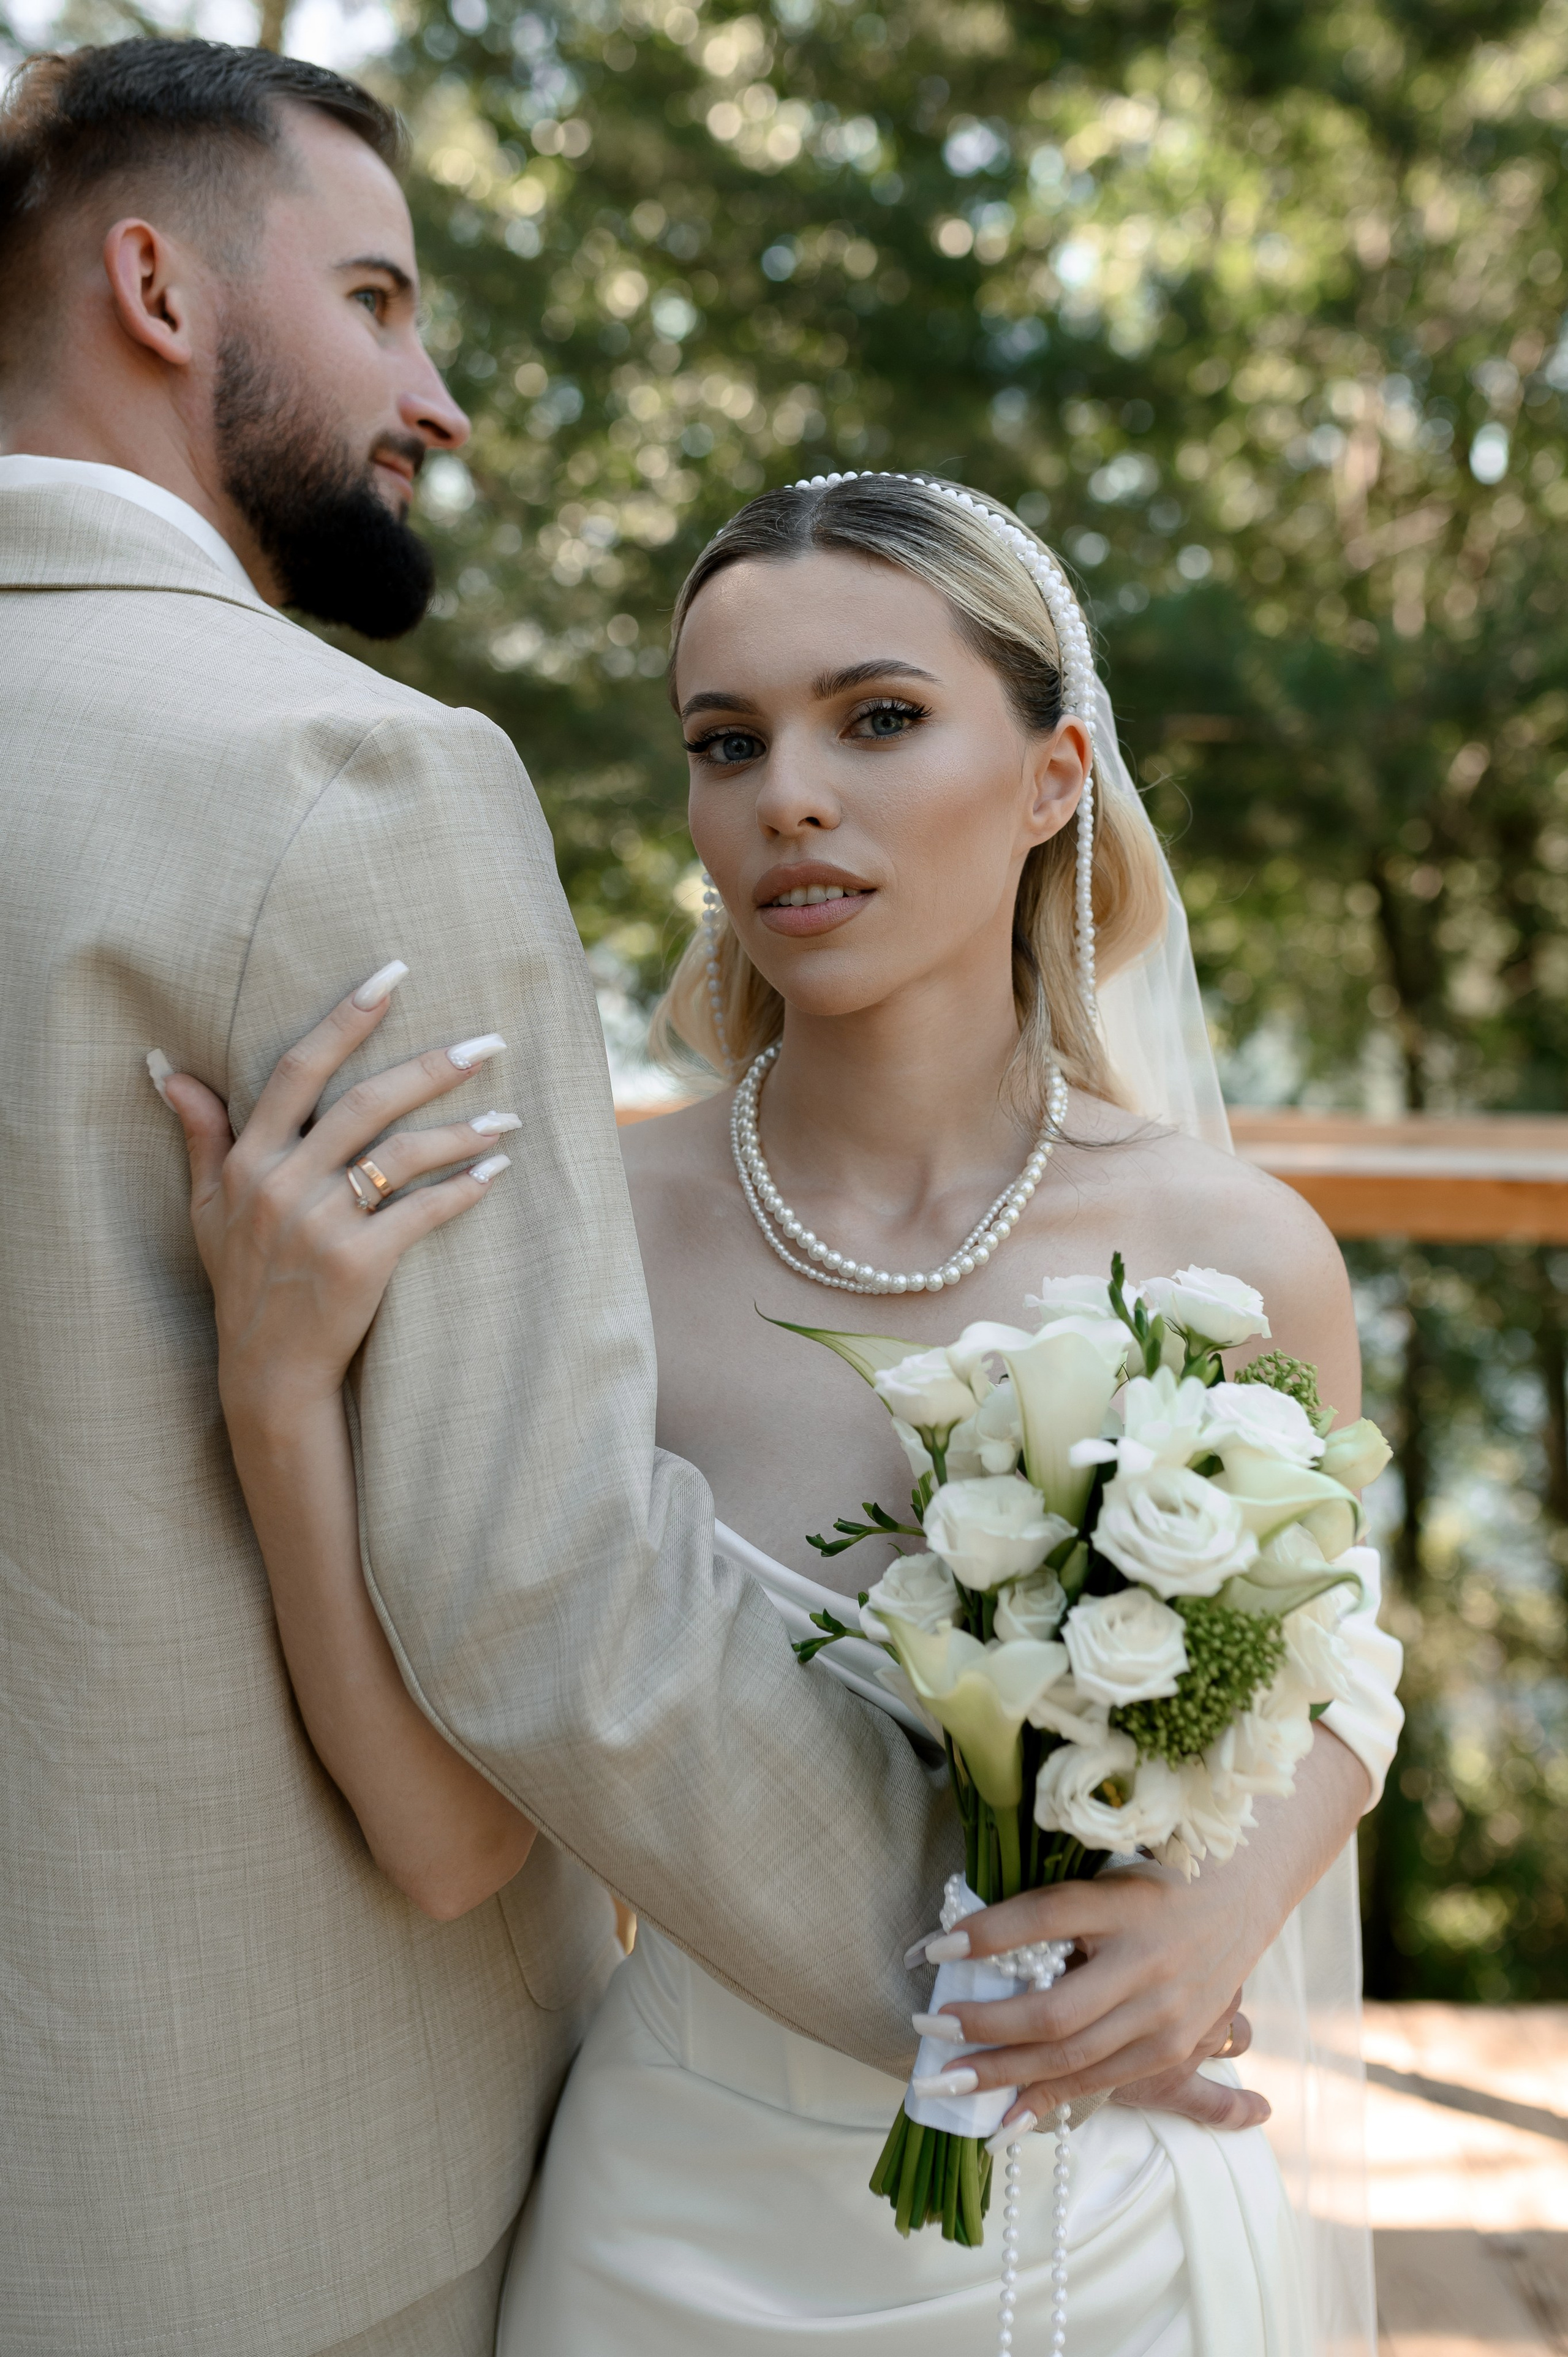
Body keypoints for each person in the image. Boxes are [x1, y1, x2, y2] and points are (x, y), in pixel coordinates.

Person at [159, 473, 1403, 2354]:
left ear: (1060, 772)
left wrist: (1227, 1924)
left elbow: (1333, 1676)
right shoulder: (577, 1247)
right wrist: (276, 1395)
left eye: (879, 718)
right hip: (680, 2236)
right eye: (725, 743)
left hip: (1120, 2234)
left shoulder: (1237, 1257)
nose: (787, 798)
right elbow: (446, 1846)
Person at [0, 44, 981, 2357]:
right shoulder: (342, 781)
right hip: (244, 2186)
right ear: (157, 283)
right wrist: (990, 1950)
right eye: (377, 297)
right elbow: (535, 1589)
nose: (429, 392)